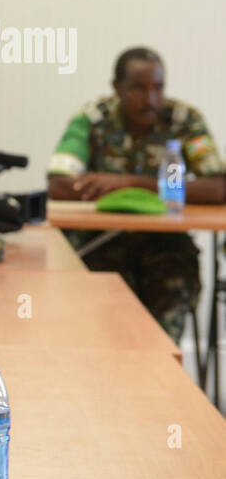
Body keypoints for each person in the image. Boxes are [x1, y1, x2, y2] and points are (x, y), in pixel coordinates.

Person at [47, 46, 226, 342]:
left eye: (158, 88)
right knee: (100, 336)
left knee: (162, 333)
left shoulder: (183, 120)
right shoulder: (91, 120)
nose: (150, 99)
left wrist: (131, 184)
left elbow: (219, 187)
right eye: (138, 89)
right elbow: (58, 183)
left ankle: (163, 383)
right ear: (117, 87)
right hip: (100, 247)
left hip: (166, 250)